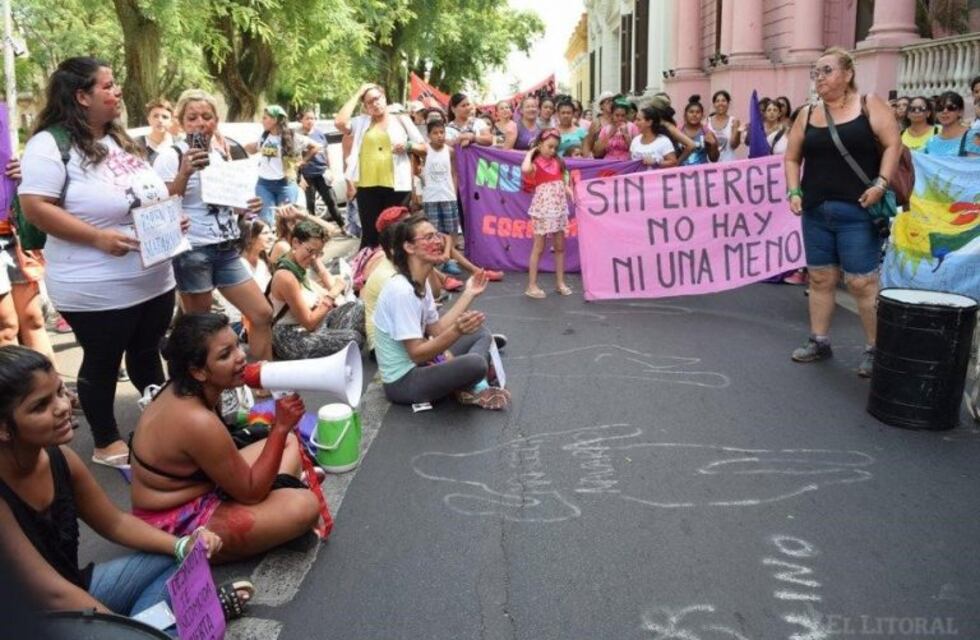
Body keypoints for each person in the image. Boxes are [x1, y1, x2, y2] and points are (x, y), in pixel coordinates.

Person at [0, 345, 255, 628]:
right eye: (40, 406)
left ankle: (174, 621)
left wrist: (184, 545)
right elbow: (51, 594)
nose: (62, 407)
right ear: (3, 428)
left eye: (60, 392)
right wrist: (120, 632)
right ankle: (184, 618)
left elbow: (115, 523)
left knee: (180, 559)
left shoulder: (62, 459)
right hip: (28, 623)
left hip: (74, 590)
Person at [19, 57, 176, 468]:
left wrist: (168, 218)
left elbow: (142, 196)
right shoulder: (50, 145)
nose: (117, 91)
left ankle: (164, 423)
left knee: (147, 354)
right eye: (107, 86)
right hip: (95, 286)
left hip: (154, 279)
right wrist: (97, 238)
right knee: (103, 362)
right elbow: (35, 206)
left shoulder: (119, 139)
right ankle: (106, 441)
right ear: (82, 96)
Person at [129, 314, 321, 562]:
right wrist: (280, 427)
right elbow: (250, 493)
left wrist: (281, 431)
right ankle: (280, 510)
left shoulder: (186, 388)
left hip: (204, 487)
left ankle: (277, 512)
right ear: (198, 371)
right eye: (225, 355)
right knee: (304, 506)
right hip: (175, 520)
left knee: (289, 443)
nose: (241, 357)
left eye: (237, 345)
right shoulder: (197, 420)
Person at [784, 47, 901, 377]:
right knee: (820, 278)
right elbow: (791, 157)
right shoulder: (807, 114)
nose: (819, 77)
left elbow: (893, 144)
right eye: (816, 72)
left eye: (827, 70)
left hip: (859, 211)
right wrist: (794, 191)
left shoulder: (869, 104)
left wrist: (881, 183)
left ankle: (875, 350)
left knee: (862, 283)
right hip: (816, 212)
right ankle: (819, 340)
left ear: (848, 74)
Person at [154, 89, 274, 361]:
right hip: (193, 251)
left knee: (262, 313)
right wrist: (184, 172)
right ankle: (201, 383)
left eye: (207, 117)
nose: (200, 123)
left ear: (216, 121)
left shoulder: (219, 156)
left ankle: (262, 378)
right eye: (192, 117)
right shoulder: (170, 156)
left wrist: (246, 205)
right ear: (181, 122)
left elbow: (226, 202)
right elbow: (161, 204)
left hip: (226, 248)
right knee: (202, 331)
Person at [373, 215, 509, 409]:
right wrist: (457, 331)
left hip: (424, 365)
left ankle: (467, 385)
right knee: (476, 364)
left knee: (481, 333)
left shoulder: (420, 282)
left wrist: (469, 293)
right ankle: (475, 385)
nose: (438, 241)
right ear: (409, 247)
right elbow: (417, 354)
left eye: (437, 235)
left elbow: (437, 330)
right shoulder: (401, 291)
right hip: (404, 382)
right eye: (428, 237)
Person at [336, 83, 427, 249]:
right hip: (367, 187)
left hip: (397, 187)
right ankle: (369, 264)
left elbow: (424, 148)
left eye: (377, 98)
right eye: (369, 102)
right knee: (370, 236)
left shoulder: (401, 119)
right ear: (365, 106)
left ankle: (397, 264)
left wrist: (408, 146)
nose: (375, 103)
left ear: (384, 98)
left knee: (395, 233)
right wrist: (358, 93)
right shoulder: (361, 123)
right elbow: (340, 123)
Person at [268, 221, 364, 360]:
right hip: (291, 337)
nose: (313, 257)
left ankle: (335, 350)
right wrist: (332, 295)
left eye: (318, 254)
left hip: (311, 328)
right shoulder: (286, 276)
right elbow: (309, 323)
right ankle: (336, 356)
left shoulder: (298, 266)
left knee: (357, 307)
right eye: (310, 251)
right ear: (295, 243)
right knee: (353, 338)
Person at [0, 160, 55, 363]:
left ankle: (51, 381)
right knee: (7, 327)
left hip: (14, 235)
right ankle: (17, 384)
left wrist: (19, 174)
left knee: (34, 319)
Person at [245, 105, 320, 225]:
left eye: (265, 118)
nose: (262, 121)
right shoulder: (264, 137)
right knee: (265, 221)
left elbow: (316, 147)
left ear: (275, 120)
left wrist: (302, 162)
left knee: (286, 223)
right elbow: (254, 148)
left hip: (285, 185)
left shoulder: (292, 137)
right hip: (264, 185)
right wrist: (239, 147)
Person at [522, 129, 573, 299]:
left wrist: (568, 191)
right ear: (539, 145)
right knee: (539, 247)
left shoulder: (558, 162)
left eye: (555, 147)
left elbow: (562, 181)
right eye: (549, 146)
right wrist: (531, 152)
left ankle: (560, 282)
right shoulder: (535, 163)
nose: (553, 150)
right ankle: (531, 285)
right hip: (543, 208)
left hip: (558, 208)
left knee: (560, 247)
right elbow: (525, 169)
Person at [298, 109, 344, 230]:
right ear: (301, 120)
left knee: (331, 201)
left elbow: (326, 152)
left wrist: (330, 169)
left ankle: (343, 226)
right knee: (310, 204)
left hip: (322, 173)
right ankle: (313, 230)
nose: (310, 121)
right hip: (307, 174)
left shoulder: (319, 134)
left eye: (312, 118)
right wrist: (300, 175)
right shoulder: (298, 136)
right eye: (307, 118)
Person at [923, 91, 980, 157]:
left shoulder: (973, 137)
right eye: (940, 108)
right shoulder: (931, 141)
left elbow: (975, 162)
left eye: (951, 108)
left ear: (960, 112)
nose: (945, 111)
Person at [679, 95, 719, 165]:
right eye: (691, 112)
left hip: (701, 171)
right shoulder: (678, 131)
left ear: (702, 115)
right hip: (680, 171)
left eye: (698, 112)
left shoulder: (707, 132)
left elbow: (714, 159)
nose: (694, 115)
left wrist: (713, 145)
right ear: (685, 114)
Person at [135, 99, 174, 165]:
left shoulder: (178, 144)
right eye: (155, 116)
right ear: (148, 119)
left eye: (165, 117)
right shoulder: (136, 144)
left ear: (171, 121)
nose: (160, 120)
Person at [707, 90, 742, 162]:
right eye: (717, 101)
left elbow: (733, 145)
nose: (720, 103)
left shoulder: (734, 121)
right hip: (710, 165)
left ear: (728, 103)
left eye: (723, 100)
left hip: (729, 164)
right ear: (714, 104)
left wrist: (739, 132)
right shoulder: (706, 121)